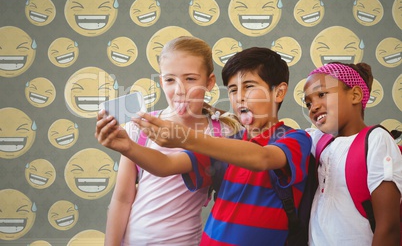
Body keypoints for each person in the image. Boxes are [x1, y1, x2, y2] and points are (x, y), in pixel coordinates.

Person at [132, 47, 312, 245]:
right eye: (233, 90)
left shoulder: (296, 139)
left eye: (249, 86)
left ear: (279, 92)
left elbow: (262, 158)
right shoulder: (225, 143)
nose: (239, 97)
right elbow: (165, 165)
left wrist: (185, 137)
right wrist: (125, 147)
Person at [95, 36, 241, 246]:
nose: (180, 89)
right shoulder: (139, 127)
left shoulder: (223, 132)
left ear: (209, 82)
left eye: (190, 79)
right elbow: (122, 198)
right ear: (161, 81)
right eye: (170, 80)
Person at [302, 62, 402, 246]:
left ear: (355, 95)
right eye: (308, 103)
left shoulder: (376, 140)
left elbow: (388, 227)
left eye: (321, 94)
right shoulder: (318, 140)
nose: (313, 107)